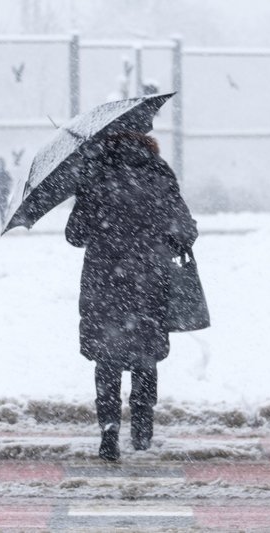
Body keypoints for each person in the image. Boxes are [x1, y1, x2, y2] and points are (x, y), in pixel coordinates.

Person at [65, 132, 198, 461]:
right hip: (147, 283)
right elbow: (185, 230)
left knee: (107, 360)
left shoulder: (96, 176)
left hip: (104, 284)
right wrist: (158, 241)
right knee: (144, 357)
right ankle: (141, 428)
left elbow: (74, 235)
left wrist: (87, 195)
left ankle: (109, 429)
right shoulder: (158, 174)